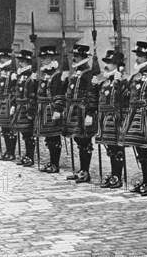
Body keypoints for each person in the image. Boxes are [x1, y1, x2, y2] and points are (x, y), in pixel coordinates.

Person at [120, 41, 147, 196]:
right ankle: (144, 181)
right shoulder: (135, 76)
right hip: (134, 116)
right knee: (139, 150)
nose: (136, 58)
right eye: (137, 55)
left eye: (140, 55)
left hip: (146, 116)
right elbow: (126, 96)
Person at [93, 50, 129, 189]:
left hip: (117, 118)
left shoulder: (123, 81)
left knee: (117, 148)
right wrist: (94, 86)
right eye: (106, 62)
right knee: (110, 148)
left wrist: (120, 83)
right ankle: (114, 174)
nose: (106, 66)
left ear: (119, 66)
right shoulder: (105, 82)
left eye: (110, 63)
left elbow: (125, 101)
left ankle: (118, 177)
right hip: (105, 119)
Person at [63, 44, 96, 183]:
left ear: (83, 57)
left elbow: (92, 94)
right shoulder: (76, 73)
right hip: (73, 109)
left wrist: (90, 112)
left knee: (84, 140)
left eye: (76, 56)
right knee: (77, 139)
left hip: (83, 109)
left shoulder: (89, 74)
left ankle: (85, 171)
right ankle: (81, 170)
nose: (73, 59)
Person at [35, 45, 66, 173]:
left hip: (52, 110)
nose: (42, 60)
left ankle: (55, 164)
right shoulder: (45, 76)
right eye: (41, 58)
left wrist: (58, 110)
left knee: (54, 137)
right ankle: (51, 162)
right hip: (43, 109)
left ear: (52, 59)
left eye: (45, 58)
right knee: (49, 138)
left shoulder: (57, 76)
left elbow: (60, 93)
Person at [11, 50, 38, 167]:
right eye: (19, 62)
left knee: (29, 132)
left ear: (28, 62)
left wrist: (31, 111)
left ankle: (30, 156)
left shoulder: (31, 76)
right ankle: (26, 155)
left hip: (27, 106)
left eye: (22, 62)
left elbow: (33, 94)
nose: (20, 64)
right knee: (24, 133)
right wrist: (13, 104)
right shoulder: (19, 75)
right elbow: (15, 91)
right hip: (19, 106)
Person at [0, 48, 17, 161]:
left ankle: (11, 152)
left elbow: (16, 89)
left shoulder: (14, 71)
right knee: (4, 128)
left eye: (4, 57)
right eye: (1, 57)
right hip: (0, 101)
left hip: (9, 101)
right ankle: (7, 151)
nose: (2, 59)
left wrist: (14, 104)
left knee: (10, 128)